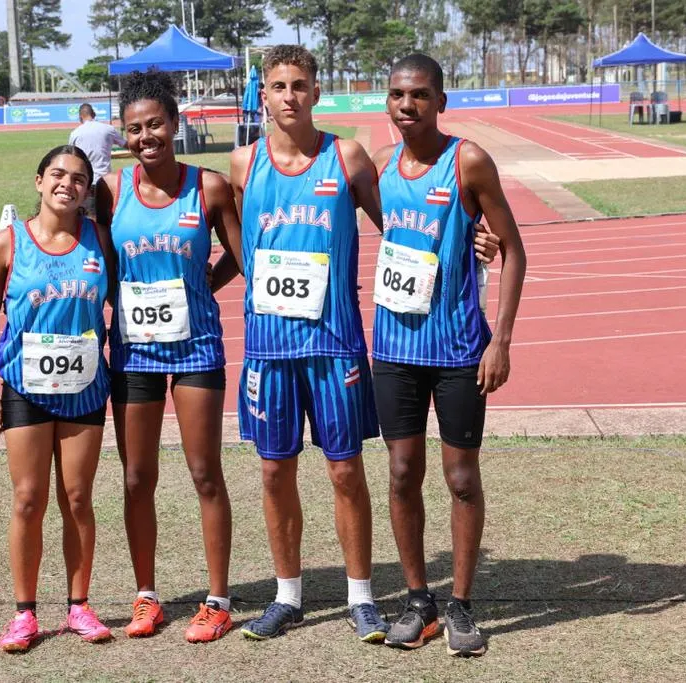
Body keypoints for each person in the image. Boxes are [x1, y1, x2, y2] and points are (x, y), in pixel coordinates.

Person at [225, 45, 389, 643]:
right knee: (273, 471)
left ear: (317, 92)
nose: (289, 95)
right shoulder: (244, 164)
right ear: (262, 96)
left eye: (299, 84)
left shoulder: (346, 157)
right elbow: (235, 247)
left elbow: (393, 229)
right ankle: (287, 596)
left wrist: (467, 249)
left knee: (345, 470)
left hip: (334, 342)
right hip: (268, 348)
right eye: (278, 86)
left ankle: (361, 597)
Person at [370, 54, 526, 657]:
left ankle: (460, 605)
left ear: (440, 101)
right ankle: (418, 600)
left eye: (419, 95)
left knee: (461, 479)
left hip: (460, 348)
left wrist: (501, 339)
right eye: (396, 95)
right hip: (394, 350)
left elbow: (513, 250)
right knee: (403, 473)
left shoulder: (468, 161)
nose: (406, 105)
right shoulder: (381, 169)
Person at [94, 69, 244, 643]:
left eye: (155, 124)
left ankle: (217, 599)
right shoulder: (111, 191)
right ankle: (146, 597)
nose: (145, 136)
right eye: (134, 129)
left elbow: (240, 253)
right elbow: (101, 261)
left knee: (205, 472)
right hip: (132, 354)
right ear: (124, 135)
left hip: (196, 348)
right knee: (136, 477)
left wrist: (206, 284)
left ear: (175, 124)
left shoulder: (207, 188)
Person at [0, 145, 116, 652]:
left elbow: (120, 303)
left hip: (84, 390)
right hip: (25, 389)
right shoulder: (6, 244)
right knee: (28, 499)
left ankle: (79, 606)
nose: (68, 184)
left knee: (77, 498)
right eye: (58, 174)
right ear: (38, 182)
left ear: (87, 191)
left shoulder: (101, 240)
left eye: (79, 178)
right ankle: (24, 613)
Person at [69, 103, 127, 216]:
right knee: (107, 218)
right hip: (105, 182)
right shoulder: (108, 129)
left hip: (86, 182)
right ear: (94, 114)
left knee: (87, 219)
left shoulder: (75, 134)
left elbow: (71, 158)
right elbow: (127, 144)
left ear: (80, 117)